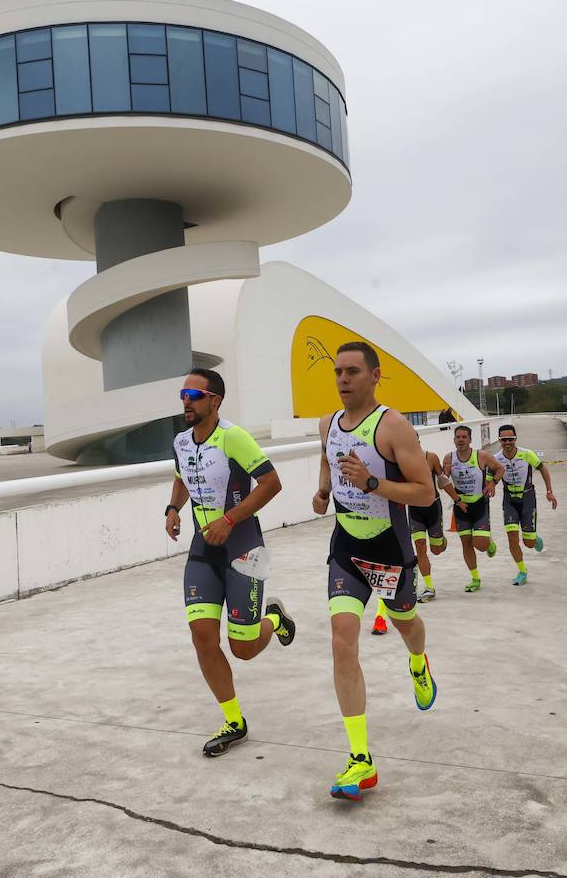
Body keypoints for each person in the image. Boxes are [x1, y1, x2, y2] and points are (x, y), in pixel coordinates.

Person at [313, 341, 437, 801]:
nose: (343, 379)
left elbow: (424, 493)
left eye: (352, 371)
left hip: (388, 547)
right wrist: (324, 490)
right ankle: (360, 758)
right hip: (346, 546)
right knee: (342, 642)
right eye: (338, 372)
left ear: (374, 375)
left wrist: (371, 482)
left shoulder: (394, 427)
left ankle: (419, 664)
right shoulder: (326, 423)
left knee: (406, 624)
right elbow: (327, 459)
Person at [165, 367, 295, 758]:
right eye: (183, 394)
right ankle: (233, 721)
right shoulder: (181, 442)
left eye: (194, 394)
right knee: (203, 638)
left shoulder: (234, 438)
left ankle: (275, 620)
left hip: (243, 546)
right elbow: (182, 476)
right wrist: (173, 508)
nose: (186, 401)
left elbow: (272, 483)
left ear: (215, 401)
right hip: (203, 550)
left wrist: (229, 519)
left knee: (243, 648)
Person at [374, 436, 448, 632]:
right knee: (420, 548)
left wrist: (456, 499)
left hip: (433, 507)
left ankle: (441, 541)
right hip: (414, 511)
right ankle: (429, 587)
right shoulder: (399, 463)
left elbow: (442, 479)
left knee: (437, 549)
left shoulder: (430, 457)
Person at [442, 425, 505, 592]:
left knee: (481, 544)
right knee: (466, 544)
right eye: (458, 437)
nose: (461, 440)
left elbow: (500, 469)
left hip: (479, 504)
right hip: (460, 506)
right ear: (454, 440)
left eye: (464, 437)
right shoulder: (448, 458)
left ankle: (488, 543)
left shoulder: (481, 456)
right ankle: (475, 578)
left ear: (470, 439)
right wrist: (445, 474)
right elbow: (442, 485)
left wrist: (492, 483)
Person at [494, 424, 558, 586]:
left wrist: (549, 491)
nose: (507, 442)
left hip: (528, 498)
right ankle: (522, 571)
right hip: (509, 500)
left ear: (515, 439)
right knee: (512, 536)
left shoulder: (527, 454)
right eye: (504, 439)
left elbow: (543, 469)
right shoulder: (496, 458)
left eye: (511, 439)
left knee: (528, 543)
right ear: (499, 440)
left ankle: (534, 538)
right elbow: (489, 478)